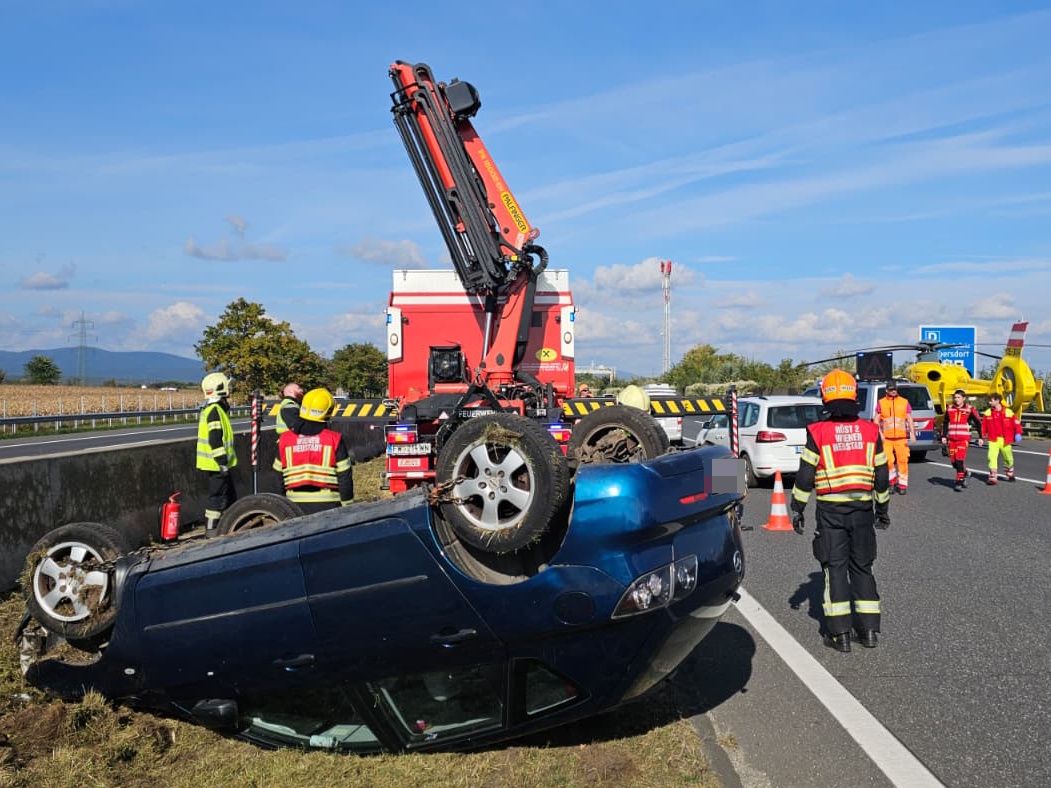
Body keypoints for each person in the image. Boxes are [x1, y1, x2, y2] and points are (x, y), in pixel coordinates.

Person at [791, 369, 891, 653]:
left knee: (834, 570)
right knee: (862, 568)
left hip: (831, 512)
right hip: (863, 511)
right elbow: (882, 476)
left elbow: (805, 476)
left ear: (825, 397)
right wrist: (883, 509)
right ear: (853, 395)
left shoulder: (818, 432)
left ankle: (840, 635)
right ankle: (869, 631)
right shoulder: (871, 431)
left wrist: (797, 508)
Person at [273, 387, 355, 514]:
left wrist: (282, 507)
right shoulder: (334, 439)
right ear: (328, 412)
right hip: (329, 504)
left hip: (293, 505)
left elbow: (277, 478)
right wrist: (348, 505)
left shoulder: (285, 439)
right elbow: (344, 476)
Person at [196, 372, 238, 537]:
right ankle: (211, 530)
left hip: (216, 463)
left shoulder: (215, 408)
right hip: (216, 463)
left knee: (227, 495)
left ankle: (228, 524)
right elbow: (215, 439)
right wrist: (222, 462)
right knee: (217, 497)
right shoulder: (214, 410)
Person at [875, 380, 916, 495]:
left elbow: (909, 418)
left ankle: (902, 485)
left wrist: (912, 433)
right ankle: (891, 482)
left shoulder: (904, 402)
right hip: (887, 439)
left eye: (895, 389)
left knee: (903, 461)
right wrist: (881, 435)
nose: (893, 391)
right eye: (891, 389)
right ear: (886, 390)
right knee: (888, 461)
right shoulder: (881, 403)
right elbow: (876, 420)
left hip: (901, 438)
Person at [940, 389, 983, 491]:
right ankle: (965, 473)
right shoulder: (950, 408)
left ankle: (959, 481)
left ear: (964, 398)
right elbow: (945, 422)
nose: (956, 399)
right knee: (954, 462)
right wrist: (944, 436)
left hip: (963, 439)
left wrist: (981, 437)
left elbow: (978, 423)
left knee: (959, 460)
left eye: (959, 397)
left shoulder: (970, 409)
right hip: (952, 439)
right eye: (955, 397)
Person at [981, 393, 1022, 484]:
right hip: (993, 439)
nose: (989, 402)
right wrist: (982, 437)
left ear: (997, 401)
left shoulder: (1008, 412)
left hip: (1005, 440)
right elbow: (983, 427)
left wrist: (1018, 433)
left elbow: (1016, 423)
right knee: (991, 457)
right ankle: (993, 477)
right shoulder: (987, 413)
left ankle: (1010, 473)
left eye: (991, 400)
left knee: (1008, 458)